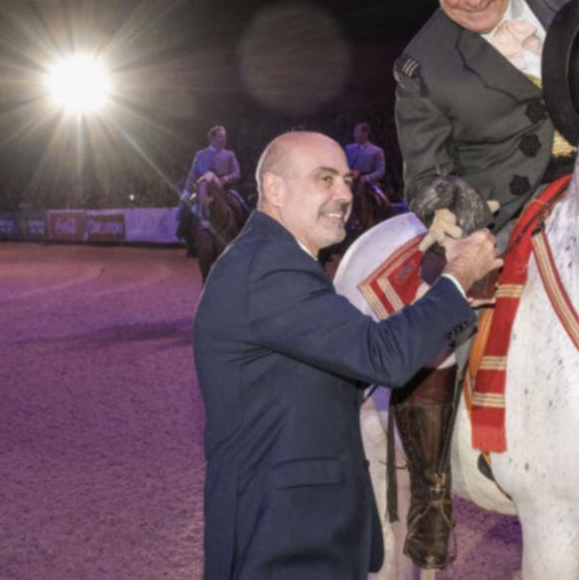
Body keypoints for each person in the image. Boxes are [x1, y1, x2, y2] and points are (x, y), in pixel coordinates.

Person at [192, 131, 500, 580]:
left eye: (346, 181)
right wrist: (458, 276)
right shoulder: (268, 267)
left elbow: (342, 365)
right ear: (274, 189)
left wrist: (432, 306)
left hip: (303, 531)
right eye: (325, 179)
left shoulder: (282, 261)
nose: (344, 194)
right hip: (283, 542)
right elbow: (382, 358)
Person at [389, 0, 579, 568]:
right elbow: (425, 174)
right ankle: (431, 492)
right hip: (500, 208)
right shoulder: (420, 64)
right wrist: (462, 222)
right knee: (431, 314)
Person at [177, 126, 243, 252]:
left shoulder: (229, 155)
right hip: (202, 190)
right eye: (221, 136)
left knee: (241, 204)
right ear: (212, 139)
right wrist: (186, 192)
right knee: (186, 208)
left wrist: (224, 179)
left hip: (225, 189)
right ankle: (188, 240)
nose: (224, 139)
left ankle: (243, 236)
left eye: (225, 136)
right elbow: (192, 175)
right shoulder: (200, 155)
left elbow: (237, 173)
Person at [344, 122, 386, 187]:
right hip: (349, 181)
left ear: (365, 133)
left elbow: (380, 171)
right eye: (355, 132)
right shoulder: (348, 148)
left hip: (368, 184)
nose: (355, 135)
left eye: (358, 132)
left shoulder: (377, 151)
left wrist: (366, 178)